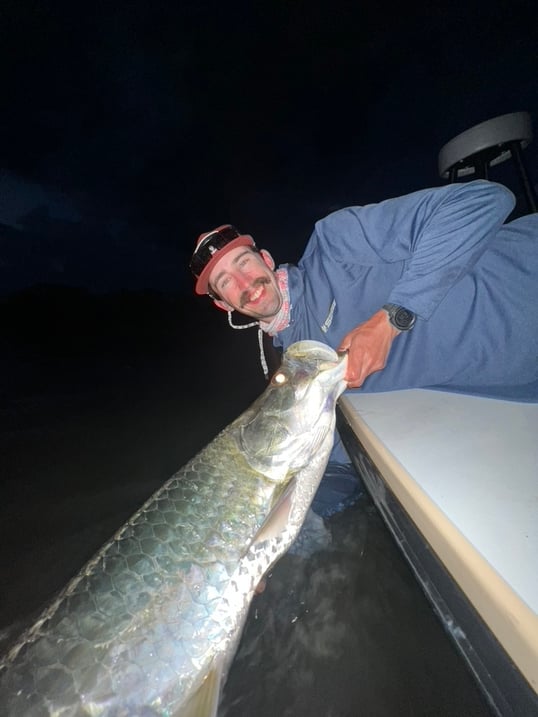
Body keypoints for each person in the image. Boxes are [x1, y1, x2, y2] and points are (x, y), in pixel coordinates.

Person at [189, 179, 538, 516]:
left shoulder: (335, 245)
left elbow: (486, 199)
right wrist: (271, 536)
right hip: (524, 383)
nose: (245, 283)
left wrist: (391, 320)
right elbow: (340, 459)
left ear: (265, 258)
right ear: (225, 305)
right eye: (226, 283)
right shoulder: (297, 363)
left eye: (244, 263)